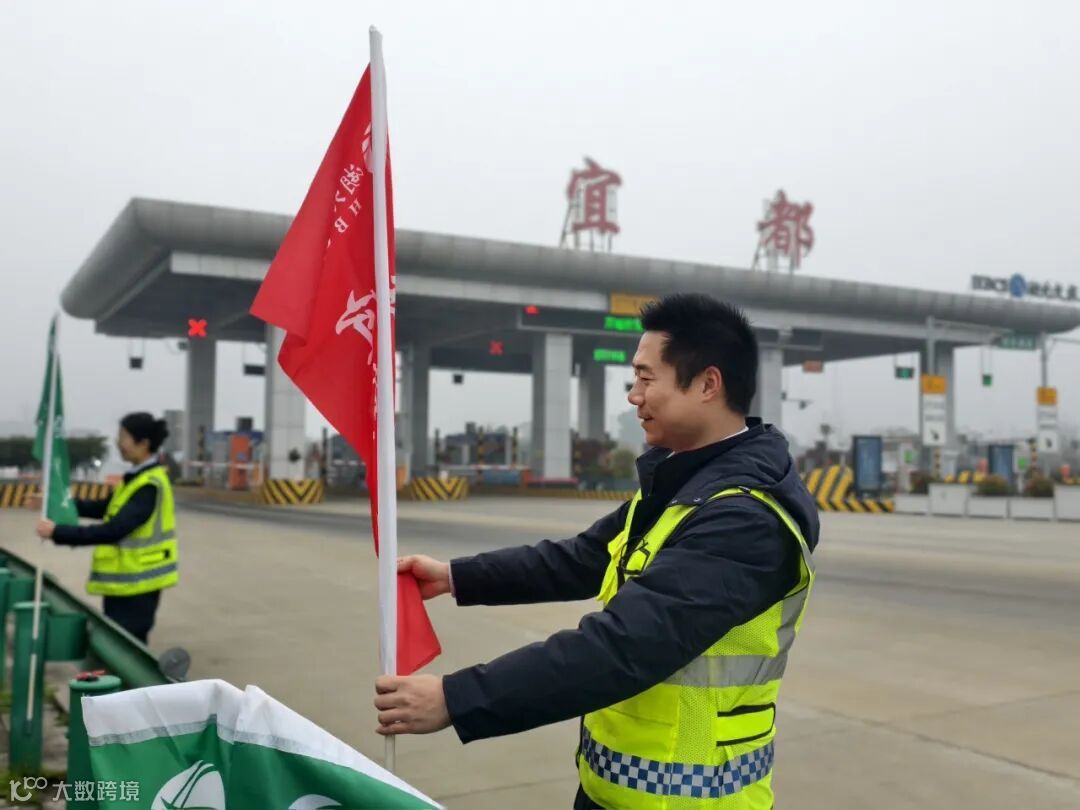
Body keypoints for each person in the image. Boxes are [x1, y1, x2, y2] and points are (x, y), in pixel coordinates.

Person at [374, 293, 820, 809]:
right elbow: (582, 558)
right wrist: (456, 576)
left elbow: (623, 647)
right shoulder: (683, 486)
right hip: (613, 793)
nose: (634, 395)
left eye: (646, 378)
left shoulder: (744, 519)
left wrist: (457, 699)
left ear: (707, 384)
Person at [32, 412, 178, 644]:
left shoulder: (149, 485)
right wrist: (54, 503)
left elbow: (114, 530)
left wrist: (58, 532)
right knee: (120, 642)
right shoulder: (135, 478)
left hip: (137, 583)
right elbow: (102, 508)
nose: (118, 443)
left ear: (143, 444)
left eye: (123, 437)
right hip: (126, 581)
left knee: (126, 646)